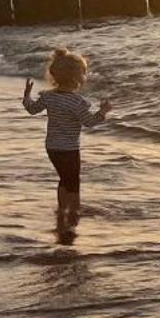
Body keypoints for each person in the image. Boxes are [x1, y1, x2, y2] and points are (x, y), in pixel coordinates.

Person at [22, 48, 109, 238]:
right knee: (73, 181)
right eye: (84, 73)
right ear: (77, 78)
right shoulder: (77, 102)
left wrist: (27, 96)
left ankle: (62, 210)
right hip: (69, 148)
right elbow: (90, 122)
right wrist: (103, 112)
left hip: (52, 147)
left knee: (63, 178)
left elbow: (31, 109)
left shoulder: (48, 97)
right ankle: (74, 212)